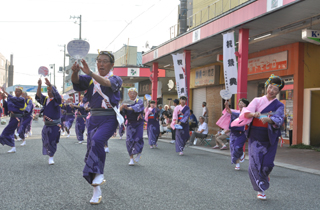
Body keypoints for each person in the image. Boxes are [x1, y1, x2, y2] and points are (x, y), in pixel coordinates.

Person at [71, 51, 122, 205]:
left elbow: (106, 84)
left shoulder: (116, 79)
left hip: (109, 118)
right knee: (91, 151)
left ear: (111, 65)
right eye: (99, 60)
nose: (101, 63)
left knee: (97, 140)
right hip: (93, 119)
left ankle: (99, 173)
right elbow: (77, 81)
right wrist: (75, 72)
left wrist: (90, 73)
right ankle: (96, 190)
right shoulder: (90, 79)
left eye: (105, 61)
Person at [231, 74, 285, 200]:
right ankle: (261, 189)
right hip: (256, 135)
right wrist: (253, 114)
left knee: (268, 165)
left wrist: (270, 120)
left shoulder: (279, 105)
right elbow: (245, 112)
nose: (271, 91)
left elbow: (279, 118)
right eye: (270, 87)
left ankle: (265, 175)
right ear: (267, 86)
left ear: (278, 92)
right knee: (254, 164)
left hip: (270, 137)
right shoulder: (257, 100)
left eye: (275, 89)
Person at [35, 78, 61, 165]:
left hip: (54, 125)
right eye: (48, 90)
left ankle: (51, 157)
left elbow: (57, 95)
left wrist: (50, 85)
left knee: (52, 140)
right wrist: (39, 85)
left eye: (50, 90)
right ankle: (49, 152)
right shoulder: (46, 99)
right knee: (45, 140)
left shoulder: (57, 100)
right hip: (46, 125)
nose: (49, 92)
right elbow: (39, 96)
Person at [120, 88, 144, 166]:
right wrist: (121, 108)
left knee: (138, 138)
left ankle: (139, 153)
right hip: (130, 124)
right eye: (131, 93)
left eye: (134, 93)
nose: (132, 95)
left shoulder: (139, 101)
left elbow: (138, 107)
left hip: (138, 123)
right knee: (129, 140)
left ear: (136, 94)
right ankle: (131, 159)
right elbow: (121, 113)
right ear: (128, 94)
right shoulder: (125, 102)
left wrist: (128, 108)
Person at [225, 98, 249, 170]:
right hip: (233, 133)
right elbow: (230, 120)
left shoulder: (247, 113)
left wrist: (230, 111)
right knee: (232, 149)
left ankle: (241, 153)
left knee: (237, 147)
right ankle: (237, 163)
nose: (240, 104)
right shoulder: (234, 112)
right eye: (239, 103)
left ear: (246, 105)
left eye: (242, 103)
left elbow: (241, 115)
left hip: (242, 133)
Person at [0, 87, 26, 153]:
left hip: (17, 119)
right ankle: (13, 147)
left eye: (18, 91)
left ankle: (12, 144)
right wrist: (3, 97)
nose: (16, 92)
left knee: (5, 133)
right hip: (13, 118)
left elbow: (13, 99)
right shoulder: (12, 99)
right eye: (16, 91)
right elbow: (6, 104)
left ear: (21, 93)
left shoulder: (21, 99)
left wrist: (5, 92)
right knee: (11, 133)